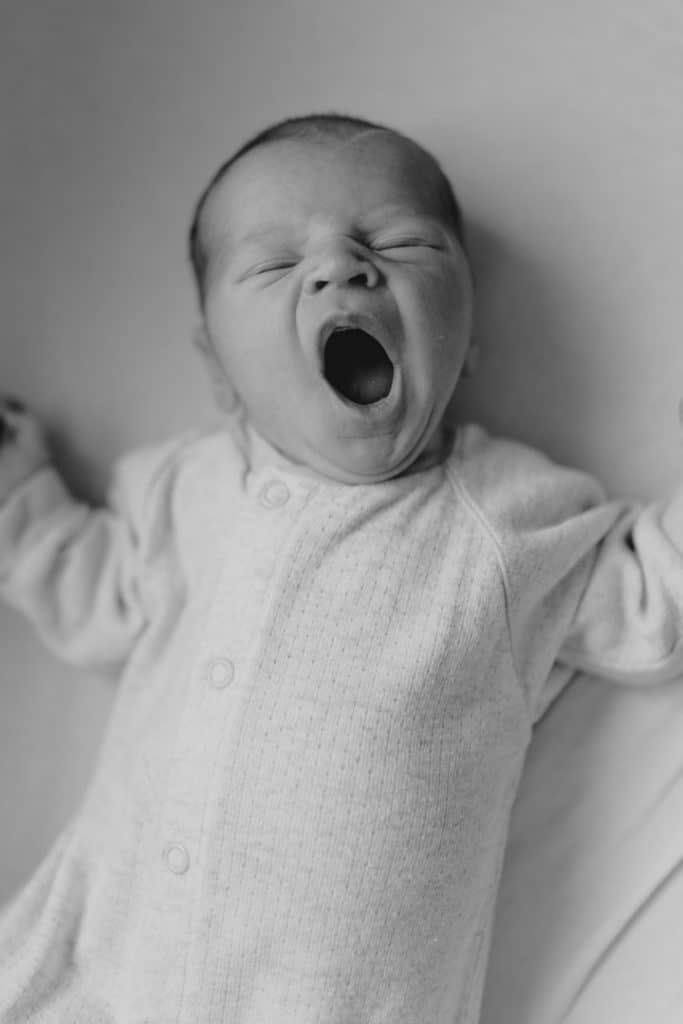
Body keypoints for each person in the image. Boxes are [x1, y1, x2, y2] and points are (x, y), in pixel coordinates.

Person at [1, 112, 682, 1024]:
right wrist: (21, 497)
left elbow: (653, 600)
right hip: (87, 976)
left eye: (399, 243)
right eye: (274, 265)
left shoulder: (512, 516)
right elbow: (94, 596)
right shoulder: (182, 489)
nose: (340, 266)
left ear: (471, 335)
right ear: (218, 371)